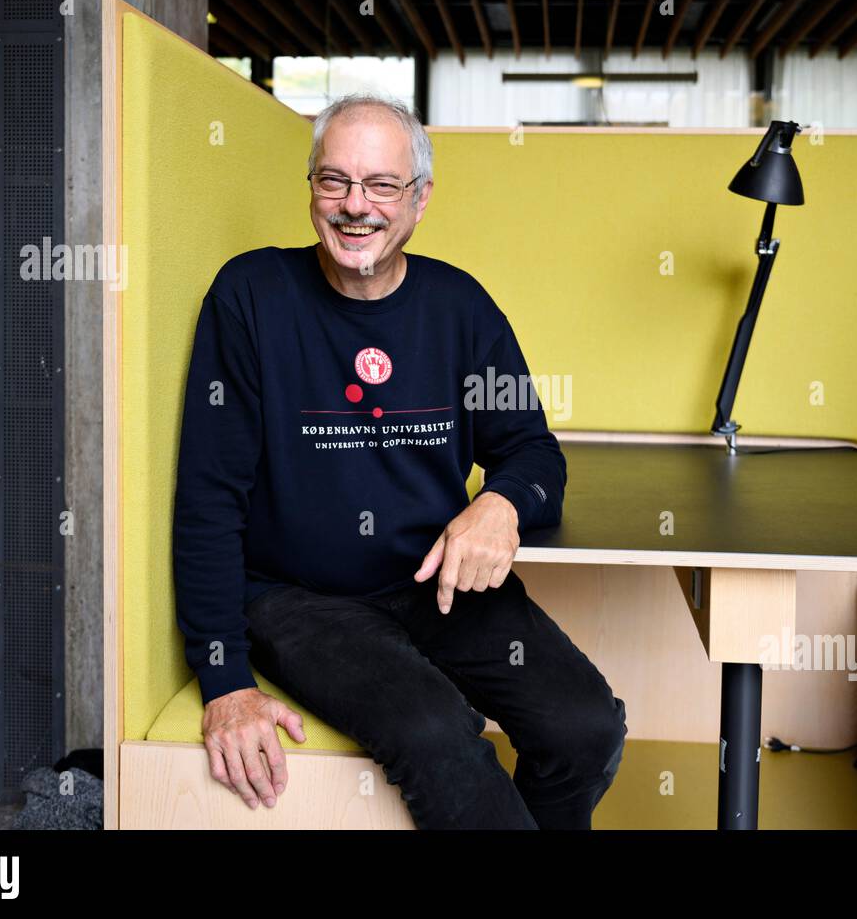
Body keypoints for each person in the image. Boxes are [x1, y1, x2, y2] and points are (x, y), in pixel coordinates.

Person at [171, 93, 627, 829]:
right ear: (312, 188)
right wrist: (224, 680)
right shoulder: (249, 296)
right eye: (334, 181)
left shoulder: (462, 307)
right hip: (298, 599)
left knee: (585, 728)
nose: (357, 206)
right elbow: (207, 497)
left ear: (418, 200)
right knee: (435, 731)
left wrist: (500, 502)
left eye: (382, 185)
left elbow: (535, 453)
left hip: (433, 580)